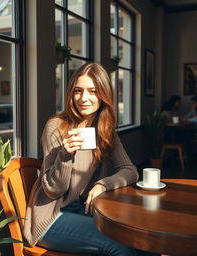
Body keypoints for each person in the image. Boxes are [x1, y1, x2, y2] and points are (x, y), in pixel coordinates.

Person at [23, 63, 142, 256]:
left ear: (103, 95)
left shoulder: (105, 130)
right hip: (52, 217)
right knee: (120, 247)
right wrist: (65, 155)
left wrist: (103, 185)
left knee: (141, 240)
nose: (84, 98)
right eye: (78, 91)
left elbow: (130, 170)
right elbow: (53, 191)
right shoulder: (56, 126)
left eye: (92, 91)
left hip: (84, 211)